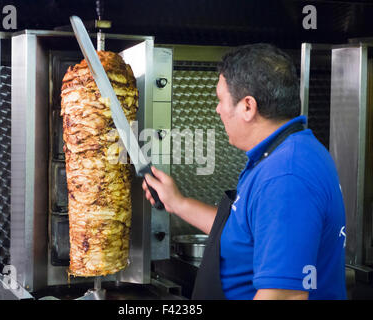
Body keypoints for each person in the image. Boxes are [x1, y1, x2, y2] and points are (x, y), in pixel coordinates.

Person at [142, 43, 346, 300]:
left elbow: (283, 296)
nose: (218, 110)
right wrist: (178, 203)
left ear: (248, 106)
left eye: (220, 99)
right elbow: (244, 231)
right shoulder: (287, 153)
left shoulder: (286, 176)